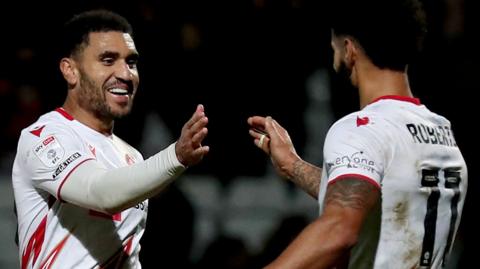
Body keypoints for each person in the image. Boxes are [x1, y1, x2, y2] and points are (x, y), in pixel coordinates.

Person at [247, 0, 468, 268]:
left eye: (333, 46)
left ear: (349, 50)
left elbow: (339, 227)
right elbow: (375, 196)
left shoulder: (360, 128)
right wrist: (294, 166)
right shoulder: (442, 131)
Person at [12, 9, 209, 268]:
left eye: (131, 62)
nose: (126, 74)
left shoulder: (132, 158)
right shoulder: (43, 137)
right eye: (108, 60)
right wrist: (176, 156)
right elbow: (101, 193)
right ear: (70, 71)